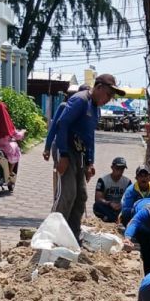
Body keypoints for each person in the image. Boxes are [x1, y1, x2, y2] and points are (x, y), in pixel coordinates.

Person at [53, 74, 122, 237]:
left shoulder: (95, 108)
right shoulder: (81, 100)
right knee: (68, 193)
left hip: (79, 154)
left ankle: (73, 234)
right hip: (66, 149)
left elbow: (89, 137)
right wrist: (62, 155)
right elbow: (62, 124)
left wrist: (90, 162)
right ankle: (54, 233)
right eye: (108, 95)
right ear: (99, 88)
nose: (109, 99)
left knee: (81, 195)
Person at [93, 156, 131, 223]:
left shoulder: (127, 182)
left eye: (122, 169)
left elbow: (130, 198)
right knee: (97, 206)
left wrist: (122, 205)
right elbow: (98, 198)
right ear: (112, 167)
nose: (120, 171)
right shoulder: (102, 180)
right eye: (117, 168)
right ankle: (115, 219)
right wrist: (110, 203)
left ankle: (110, 218)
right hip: (108, 206)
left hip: (120, 208)